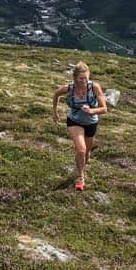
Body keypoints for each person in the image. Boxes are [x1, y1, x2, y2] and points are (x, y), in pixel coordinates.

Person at [52, 61, 108, 191]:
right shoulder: (69, 88)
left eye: (86, 78)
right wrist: (54, 111)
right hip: (74, 121)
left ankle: (81, 168)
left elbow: (104, 109)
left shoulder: (94, 87)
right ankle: (80, 177)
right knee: (81, 149)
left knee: (86, 152)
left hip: (91, 122)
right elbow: (56, 94)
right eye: (81, 78)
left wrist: (91, 110)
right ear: (75, 78)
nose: (84, 81)